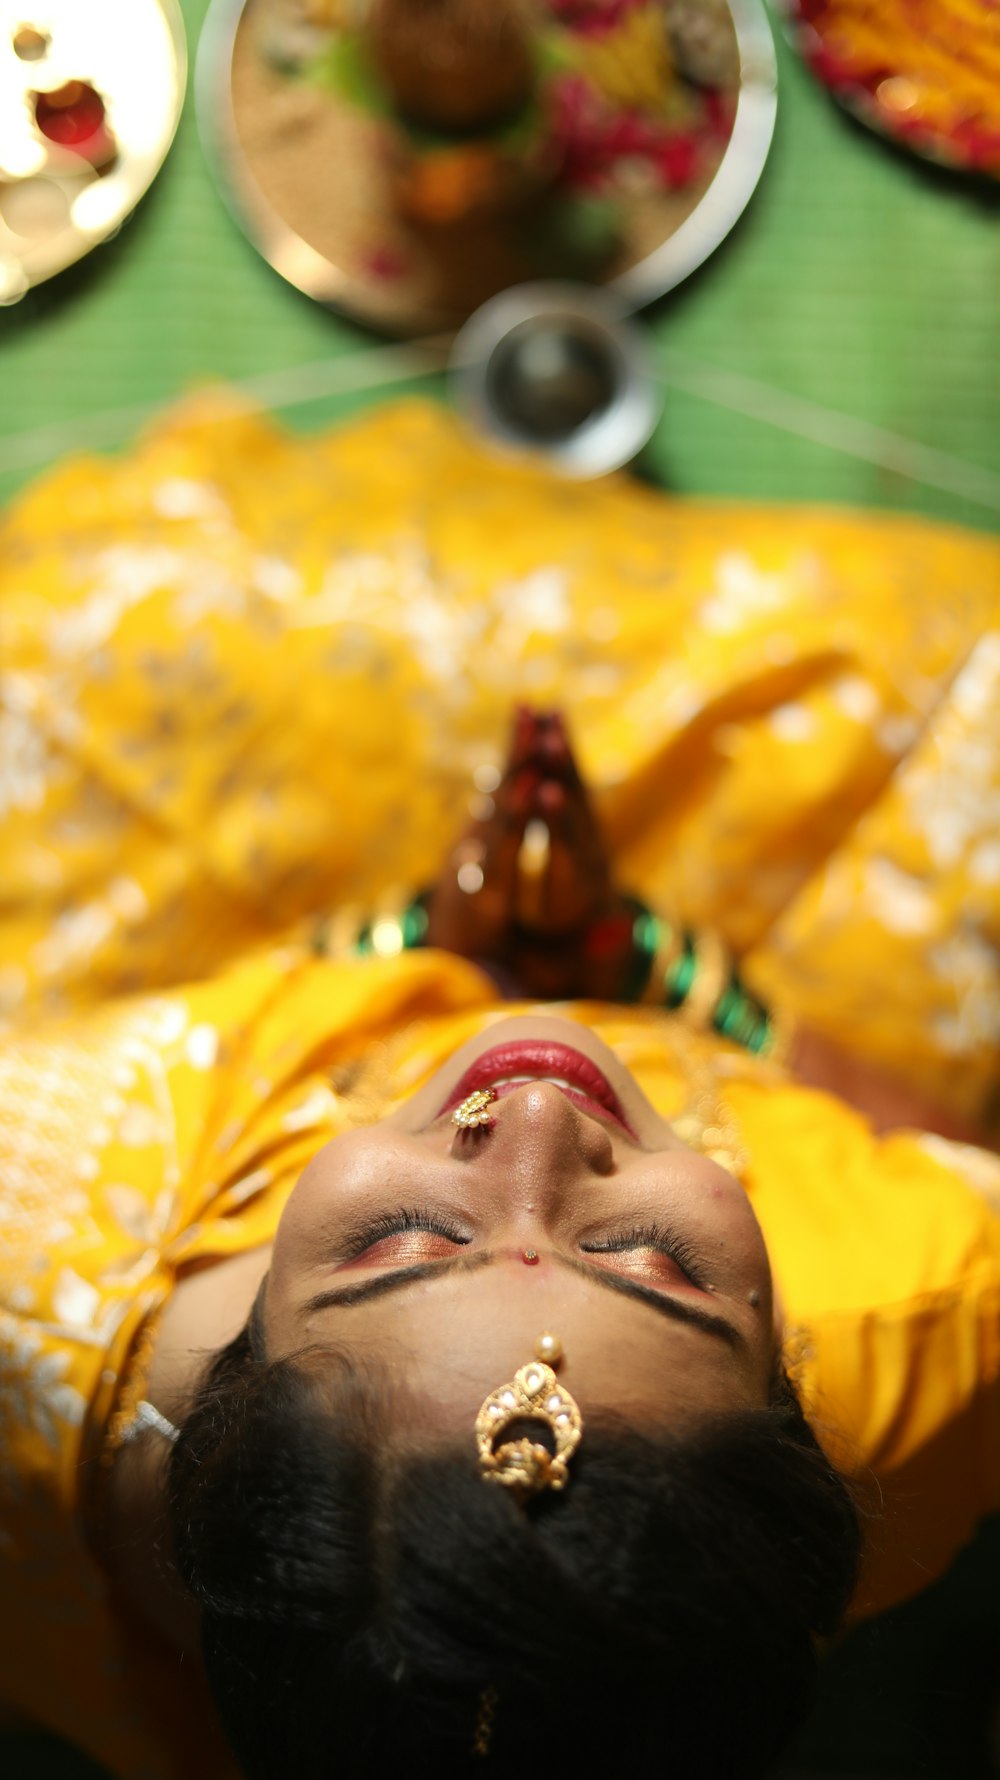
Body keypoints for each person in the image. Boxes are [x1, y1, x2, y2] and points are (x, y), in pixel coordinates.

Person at [0, 395, 998, 1780]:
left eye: (401, 1245)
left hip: (202, 967)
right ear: (800, 1403)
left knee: (82, 621)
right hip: (676, 993)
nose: (534, 1111)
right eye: (651, 1261)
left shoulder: (34, 1207)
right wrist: (649, 959)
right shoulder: (924, 1323)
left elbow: (214, 1018)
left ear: (219, 1391)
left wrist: (417, 943)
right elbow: (934, 1137)